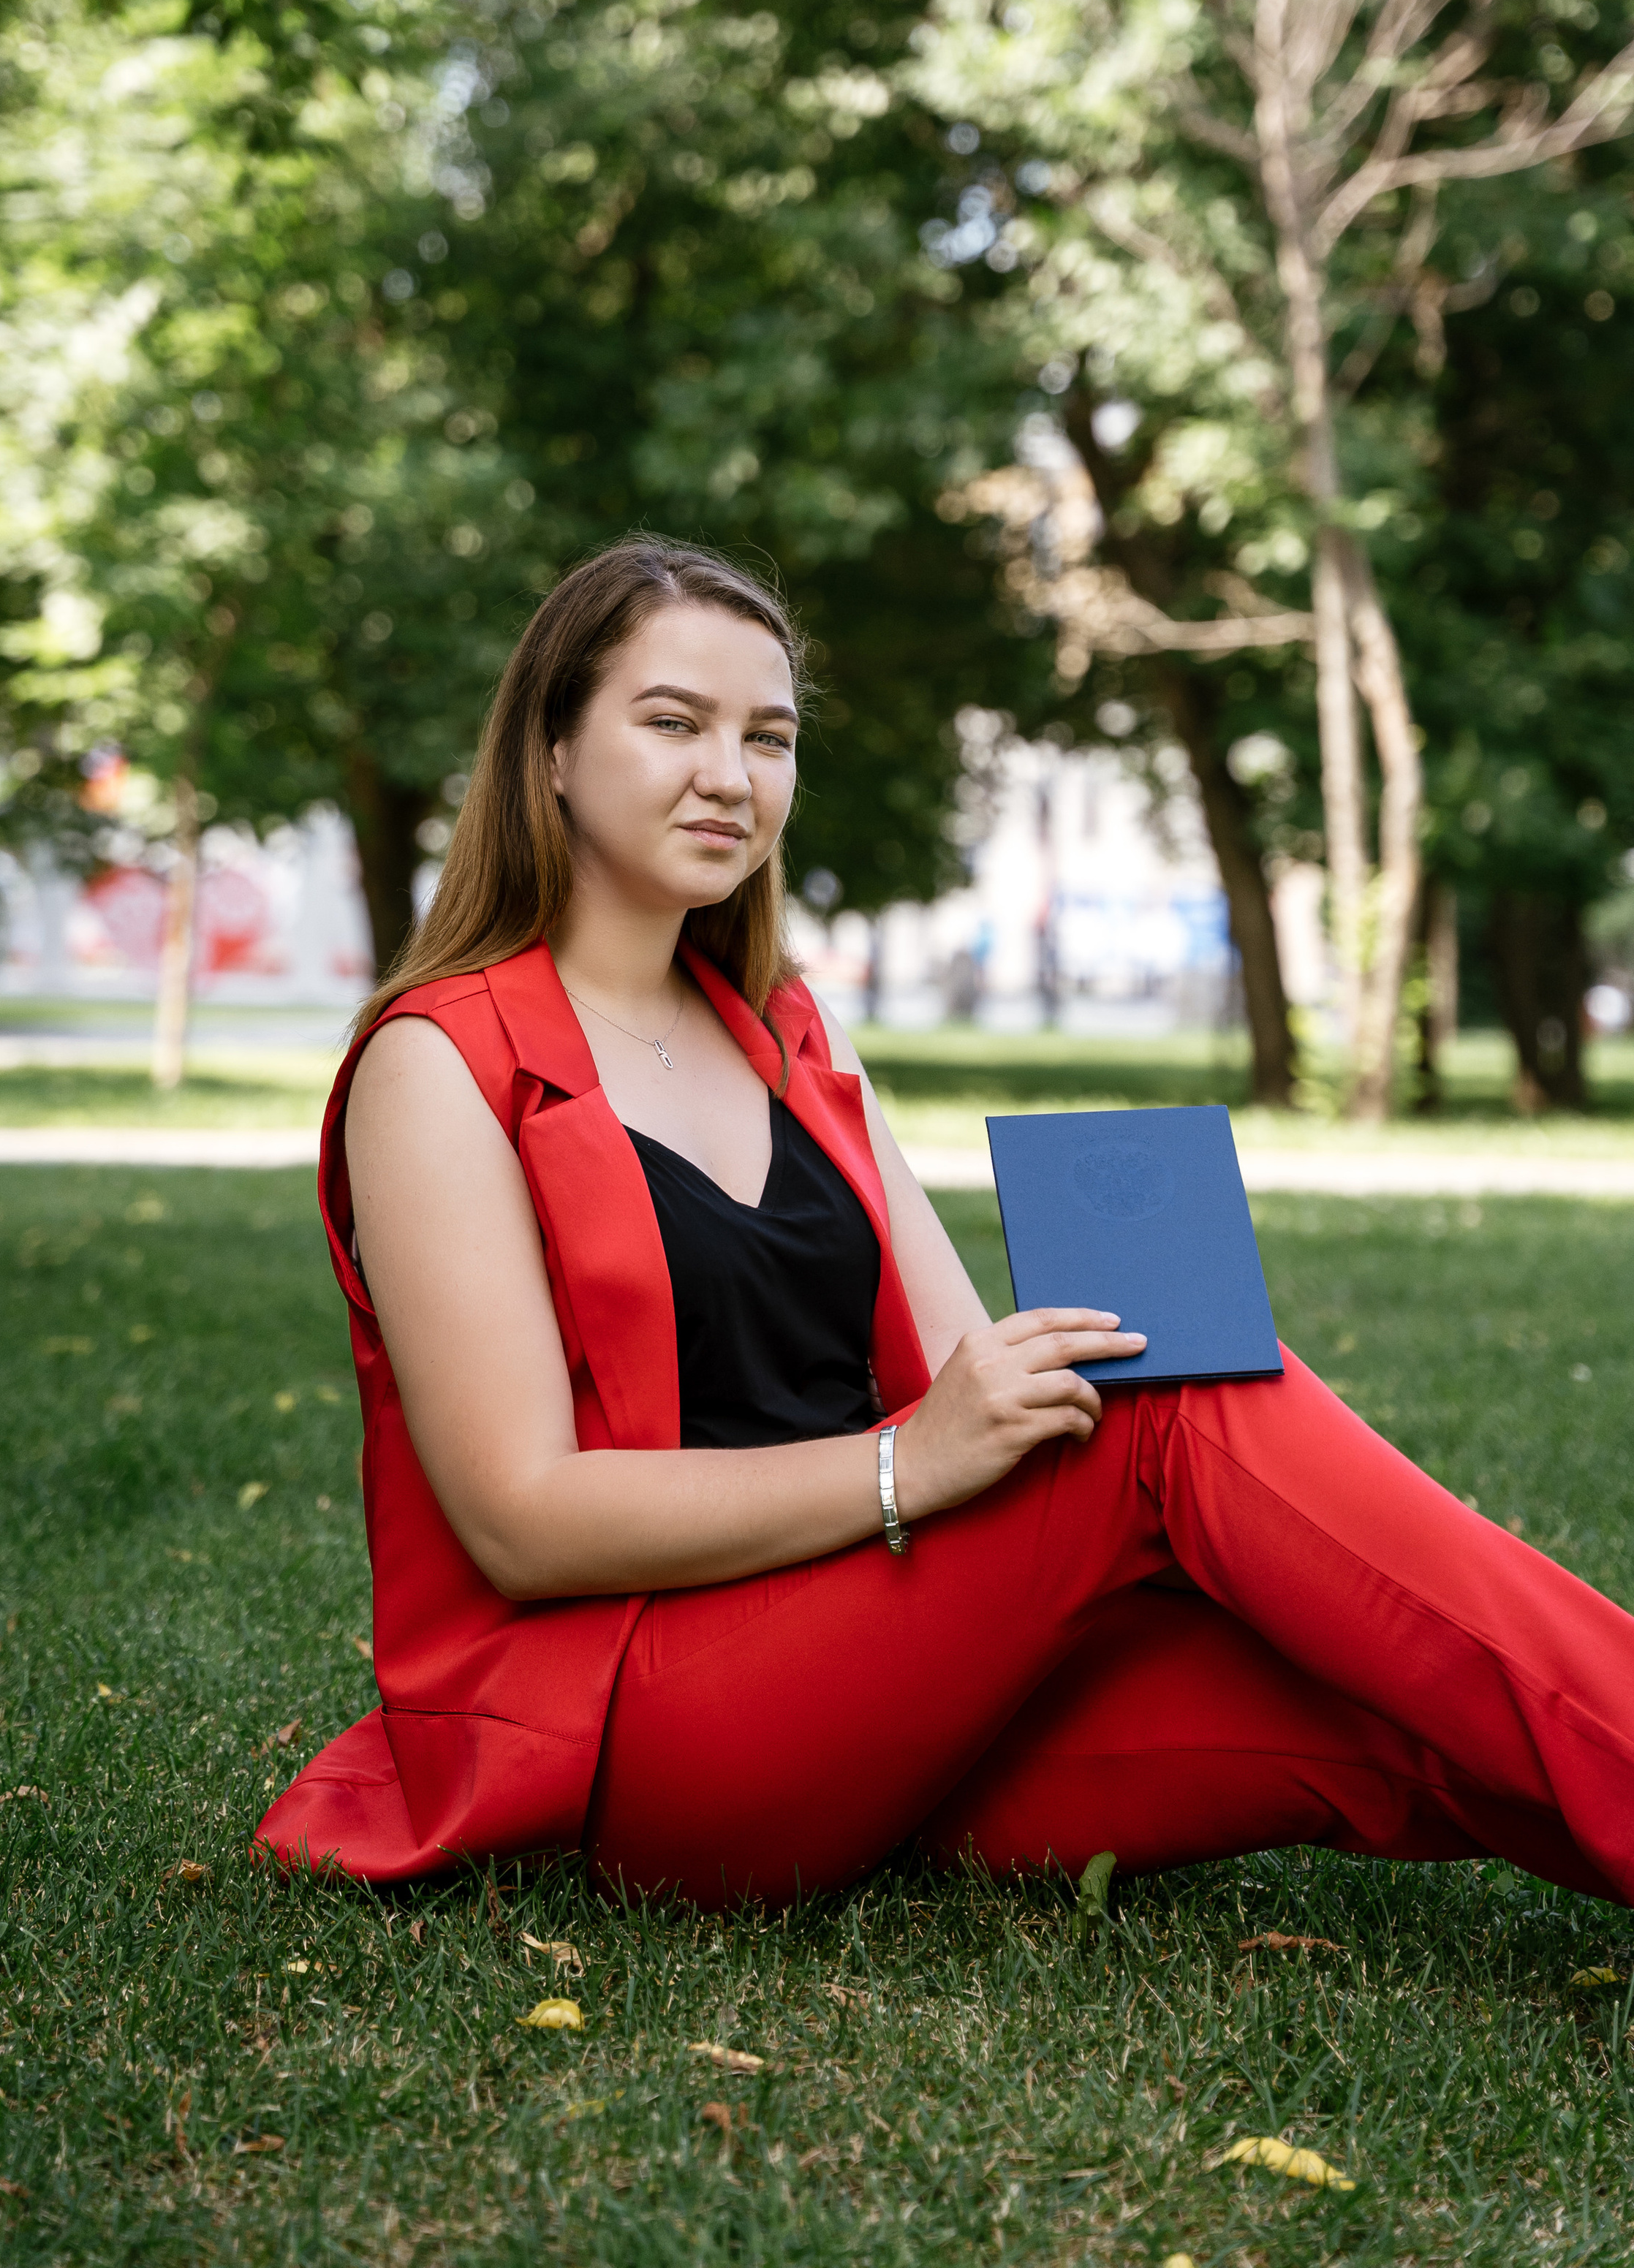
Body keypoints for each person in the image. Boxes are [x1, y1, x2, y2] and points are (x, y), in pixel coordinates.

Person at [258, 537, 1634, 1908]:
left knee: (1381, 1692)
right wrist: (902, 1471)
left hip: (886, 1688)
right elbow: (523, 1518)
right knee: (1168, 1405)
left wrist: (1073, 1486)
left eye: (769, 738)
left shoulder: (786, 1034)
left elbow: (971, 1369)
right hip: (651, 1733)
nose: (731, 777)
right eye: (672, 723)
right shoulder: (439, 1064)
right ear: (550, 749)